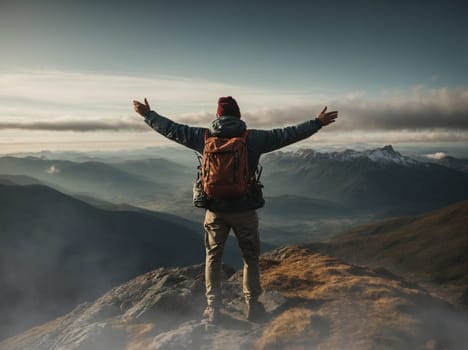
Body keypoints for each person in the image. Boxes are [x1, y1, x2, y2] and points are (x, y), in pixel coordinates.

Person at [133, 96, 338, 323]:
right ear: (238, 115)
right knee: (250, 258)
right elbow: (287, 134)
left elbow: (171, 129)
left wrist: (148, 115)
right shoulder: (254, 138)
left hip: (214, 209)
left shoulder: (202, 137)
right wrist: (317, 122)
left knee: (213, 257)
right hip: (244, 210)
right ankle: (253, 305)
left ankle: (214, 309)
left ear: (218, 115)